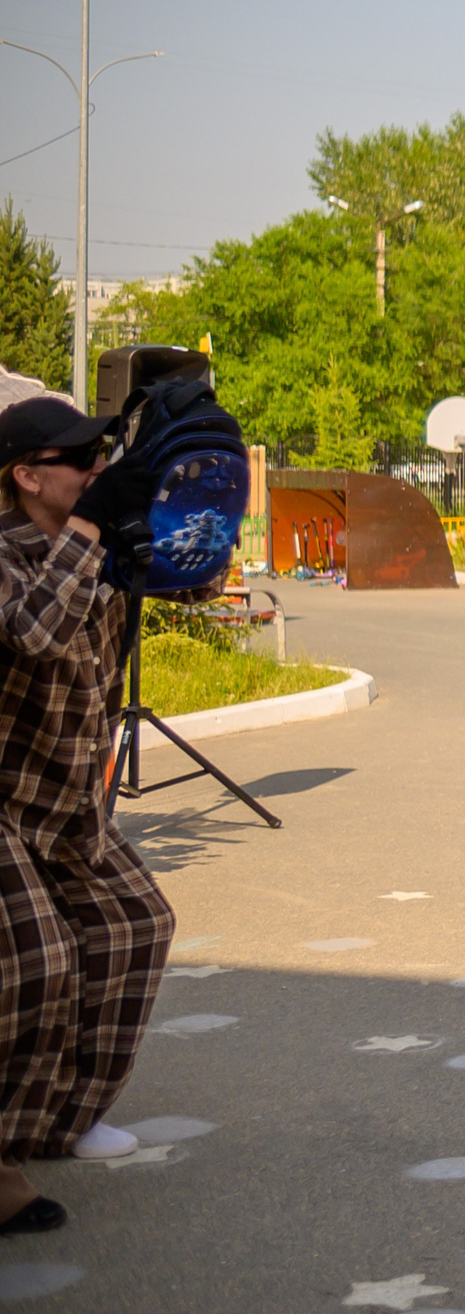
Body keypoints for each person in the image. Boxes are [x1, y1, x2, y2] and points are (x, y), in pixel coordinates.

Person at [0, 396, 182, 1233]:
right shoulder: (8, 553)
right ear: (26, 475)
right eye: (79, 460)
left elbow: (184, 585)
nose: (94, 470)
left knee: (135, 923)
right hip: (3, 798)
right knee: (36, 961)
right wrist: (90, 535)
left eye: (100, 456)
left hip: (68, 792)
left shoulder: (94, 542)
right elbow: (33, 633)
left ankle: (54, 1123)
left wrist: (172, 512)